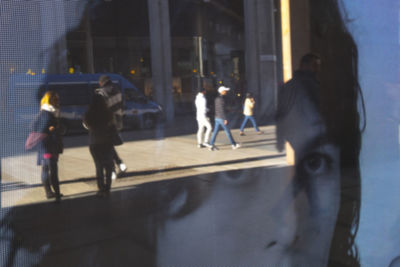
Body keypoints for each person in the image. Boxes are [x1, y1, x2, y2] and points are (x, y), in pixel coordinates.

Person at [154, 1, 363, 266]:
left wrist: (281, 141)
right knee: (304, 177)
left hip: (291, 143)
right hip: (290, 142)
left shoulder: (292, 88)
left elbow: (284, 119)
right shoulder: (309, 88)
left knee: (299, 175)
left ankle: (290, 193)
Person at [33, 91, 63, 202]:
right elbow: (38, 128)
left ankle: (49, 193)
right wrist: (51, 131)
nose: (58, 102)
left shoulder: (44, 112)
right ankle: (57, 193)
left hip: (44, 147)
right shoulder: (48, 114)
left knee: (45, 169)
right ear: (50, 101)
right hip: (49, 146)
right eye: (56, 99)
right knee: (53, 170)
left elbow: (34, 127)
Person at [83, 94, 115, 197]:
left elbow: (86, 125)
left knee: (99, 166)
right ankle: (108, 187)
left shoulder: (88, 114)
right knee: (108, 165)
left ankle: (101, 188)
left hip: (94, 142)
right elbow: (113, 125)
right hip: (107, 141)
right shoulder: (108, 113)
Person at [96, 75, 127, 179]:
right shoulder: (118, 90)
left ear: (102, 83)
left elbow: (100, 110)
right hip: (117, 122)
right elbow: (123, 106)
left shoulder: (102, 93)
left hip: (106, 123)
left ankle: (113, 170)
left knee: (106, 147)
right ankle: (120, 165)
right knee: (109, 146)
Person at [208, 86, 240, 151]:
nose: (226, 91)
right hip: (221, 118)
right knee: (227, 131)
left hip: (217, 117)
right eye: (225, 90)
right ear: (222, 91)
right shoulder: (221, 99)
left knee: (215, 132)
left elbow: (218, 109)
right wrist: (225, 118)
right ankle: (233, 145)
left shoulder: (217, 99)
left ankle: (211, 145)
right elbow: (222, 109)